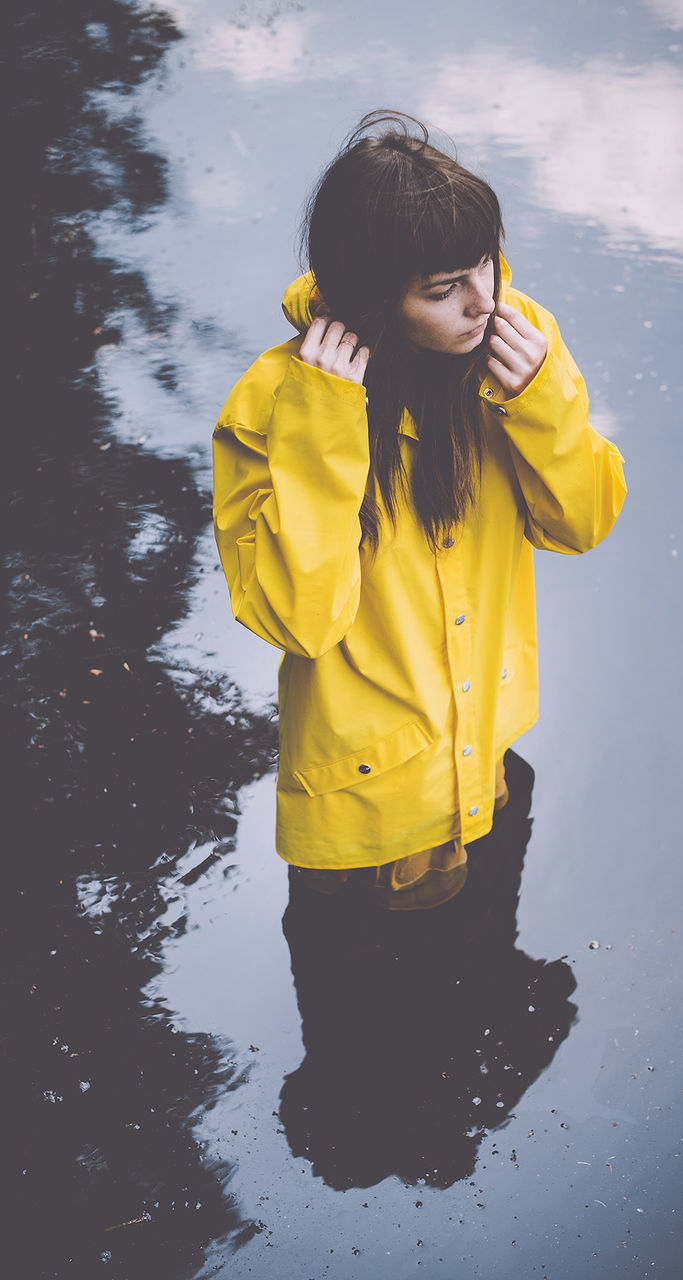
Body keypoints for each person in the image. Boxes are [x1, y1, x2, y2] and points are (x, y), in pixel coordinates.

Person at [212, 111, 626, 909]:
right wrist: (325, 436)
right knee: (353, 1023)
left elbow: (581, 524)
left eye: (487, 267)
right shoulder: (272, 405)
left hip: (491, 766)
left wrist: (541, 401)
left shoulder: (514, 340)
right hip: (366, 819)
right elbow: (299, 620)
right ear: (373, 303)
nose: (484, 303)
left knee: (487, 971)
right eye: (445, 290)